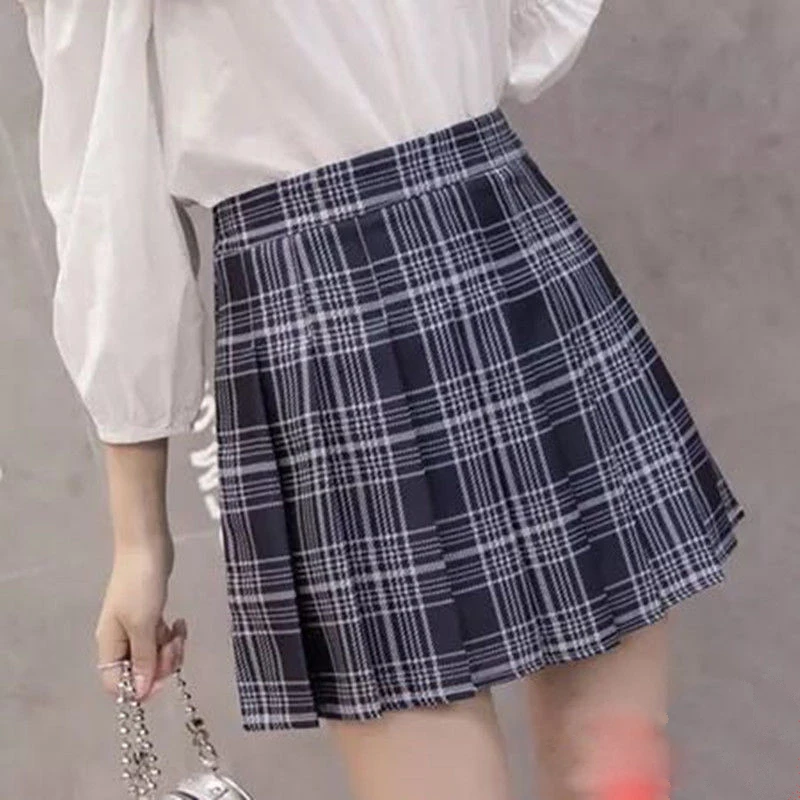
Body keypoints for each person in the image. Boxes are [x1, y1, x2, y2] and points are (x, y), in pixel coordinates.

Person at [18, 1, 745, 798]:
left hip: (501, 245)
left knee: (614, 776)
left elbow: (521, 34)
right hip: (330, 319)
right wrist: (138, 540)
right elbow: (110, 198)